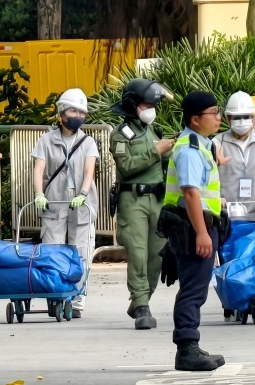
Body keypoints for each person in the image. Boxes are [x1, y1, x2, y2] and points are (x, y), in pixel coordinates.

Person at [160, 91, 226, 371]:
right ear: (195, 119)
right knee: (194, 291)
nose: (219, 118)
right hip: (191, 227)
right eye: (214, 113)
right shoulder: (189, 149)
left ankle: (190, 345)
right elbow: (189, 194)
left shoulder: (202, 145)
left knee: (194, 287)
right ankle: (187, 349)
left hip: (194, 224)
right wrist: (201, 232)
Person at [109, 78, 174, 329]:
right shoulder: (121, 134)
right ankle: (142, 305)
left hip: (156, 199)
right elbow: (126, 167)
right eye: (146, 104)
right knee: (137, 252)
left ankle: (142, 298)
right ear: (133, 104)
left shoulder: (153, 132)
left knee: (157, 254)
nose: (150, 109)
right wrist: (156, 151)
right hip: (132, 199)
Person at [32, 87, 99, 319]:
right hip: (54, 203)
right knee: (53, 251)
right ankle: (57, 295)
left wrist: (83, 192)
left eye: (81, 112)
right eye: (73, 111)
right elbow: (38, 169)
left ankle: (77, 299)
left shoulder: (88, 142)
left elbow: (89, 171)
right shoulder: (46, 140)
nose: (77, 116)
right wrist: (39, 194)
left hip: (82, 205)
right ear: (61, 113)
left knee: (81, 252)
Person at [213, 91, 255, 222]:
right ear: (228, 118)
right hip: (224, 213)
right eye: (236, 117)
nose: (242, 121)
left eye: (246, 116)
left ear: (253, 117)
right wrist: (215, 196)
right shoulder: (217, 142)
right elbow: (209, 174)